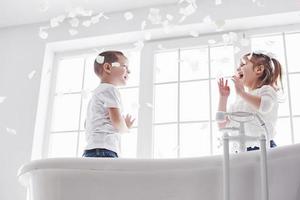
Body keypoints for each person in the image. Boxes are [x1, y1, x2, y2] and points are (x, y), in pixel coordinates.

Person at [217, 51, 283, 151]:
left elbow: (265, 106)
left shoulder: (266, 90)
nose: (238, 68)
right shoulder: (240, 101)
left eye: (243, 64)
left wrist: (242, 93)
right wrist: (223, 98)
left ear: (259, 69)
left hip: (263, 148)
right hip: (240, 150)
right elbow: (222, 125)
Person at [83, 51, 135, 158]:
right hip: (104, 148)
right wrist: (125, 128)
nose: (129, 71)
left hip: (92, 148)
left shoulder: (97, 93)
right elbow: (116, 120)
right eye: (125, 66)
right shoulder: (110, 89)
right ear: (108, 68)